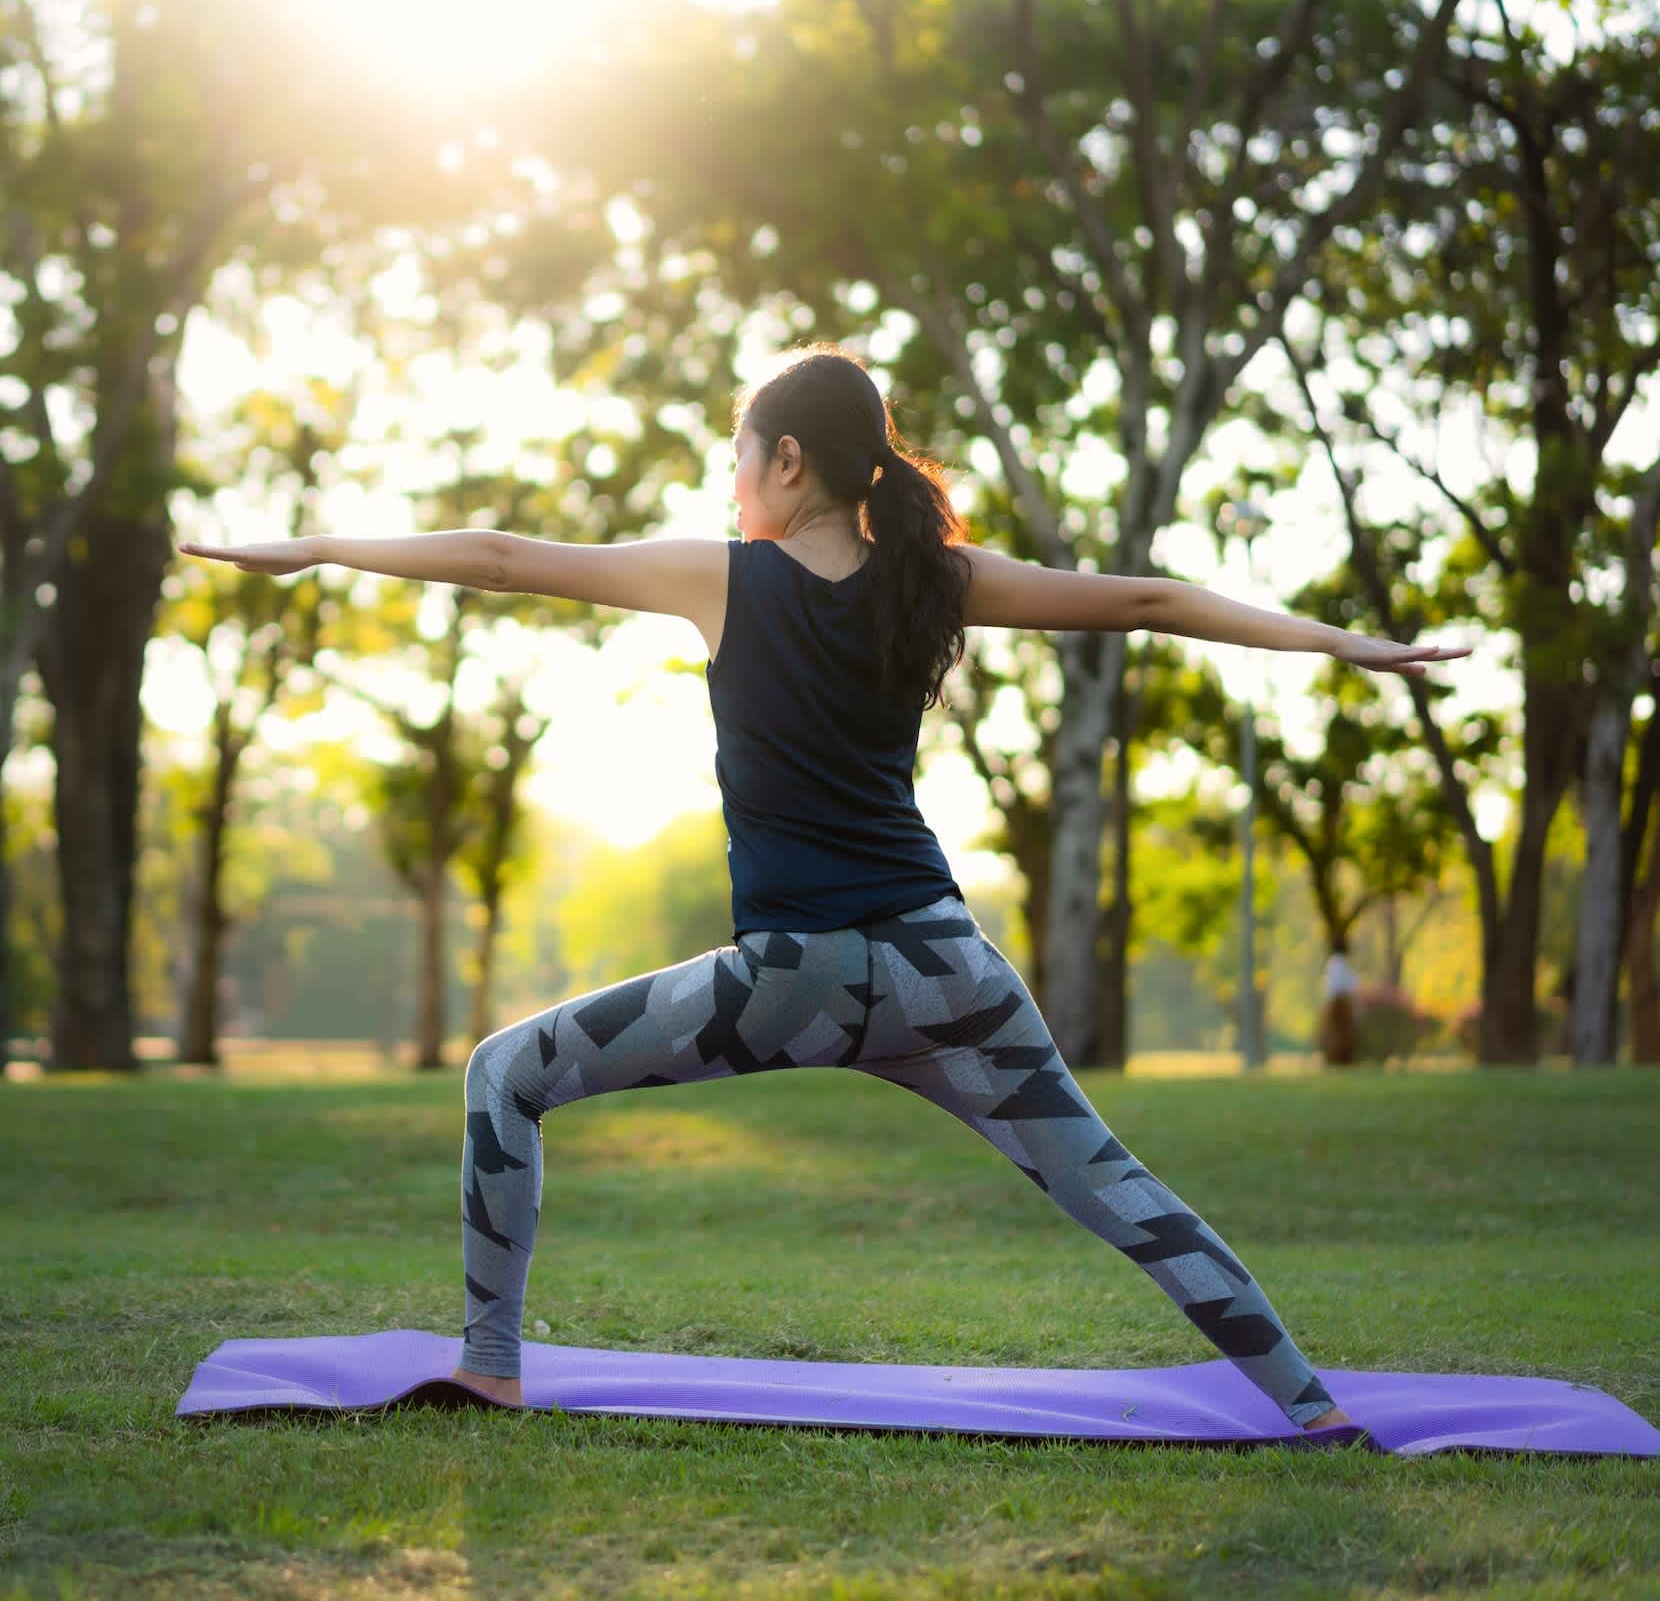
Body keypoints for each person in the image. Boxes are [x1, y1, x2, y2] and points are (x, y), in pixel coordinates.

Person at [179, 343, 1471, 1434]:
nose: (732, 480)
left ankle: (490, 1367)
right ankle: (1312, 1409)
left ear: (788, 461)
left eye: (740, 455)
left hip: (792, 982)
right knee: (1120, 1192)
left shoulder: (724, 577)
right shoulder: (934, 580)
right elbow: (1147, 598)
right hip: (947, 973)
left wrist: (321, 547)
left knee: (506, 1074)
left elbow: (505, 556)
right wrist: (1344, 644)